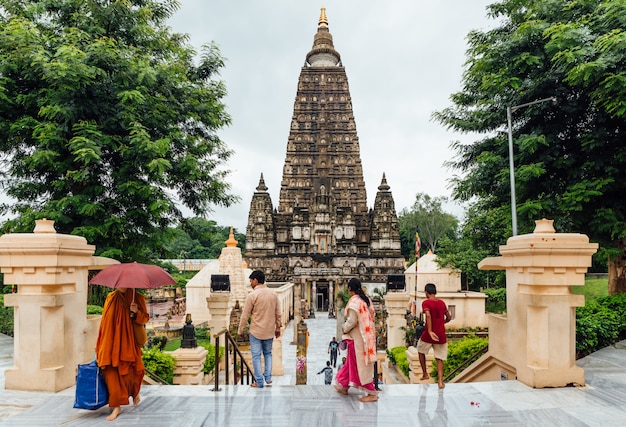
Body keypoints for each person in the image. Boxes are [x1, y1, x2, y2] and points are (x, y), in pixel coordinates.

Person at [96, 288, 148, 421]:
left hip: (128, 342)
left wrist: (136, 312)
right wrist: (101, 343)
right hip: (110, 341)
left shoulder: (138, 297)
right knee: (111, 372)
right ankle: (116, 407)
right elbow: (104, 322)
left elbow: (145, 318)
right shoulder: (111, 297)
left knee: (133, 372)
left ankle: (134, 393)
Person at [334, 278, 378, 402]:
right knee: (351, 363)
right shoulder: (366, 300)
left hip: (358, 338)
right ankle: (344, 385)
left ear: (349, 289)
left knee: (360, 365)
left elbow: (352, 321)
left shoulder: (354, 302)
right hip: (367, 336)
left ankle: (372, 393)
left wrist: (344, 328)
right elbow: (373, 315)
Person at [238, 270, 282, 388]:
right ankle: (268, 378)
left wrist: (240, 330)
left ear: (256, 280)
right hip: (269, 330)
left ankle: (259, 382)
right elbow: (278, 314)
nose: (251, 283)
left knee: (256, 356)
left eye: (251, 281)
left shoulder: (252, 295)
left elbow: (245, 315)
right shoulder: (273, 294)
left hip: (256, 331)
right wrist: (278, 328)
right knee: (268, 354)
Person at [417, 283, 451, 389]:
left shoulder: (426, 302)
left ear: (426, 292)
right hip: (440, 334)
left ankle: (425, 373)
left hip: (428, 333)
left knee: (420, 351)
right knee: (439, 358)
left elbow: (428, 315)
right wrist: (441, 323)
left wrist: (431, 331)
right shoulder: (442, 303)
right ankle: (440, 382)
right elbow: (449, 317)